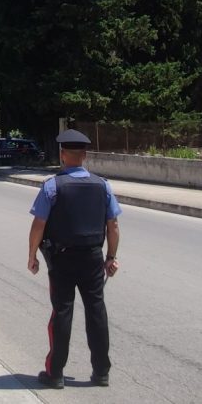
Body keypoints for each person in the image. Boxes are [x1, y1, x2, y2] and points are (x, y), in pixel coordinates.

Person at [27, 129, 121, 389]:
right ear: (85, 155)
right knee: (96, 311)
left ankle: (55, 373)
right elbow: (113, 226)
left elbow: (39, 224)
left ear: (62, 155)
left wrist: (32, 255)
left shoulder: (52, 186)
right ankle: (101, 372)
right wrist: (111, 257)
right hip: (93, 257)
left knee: (62, 312)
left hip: (62, 259)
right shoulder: (103, 185)